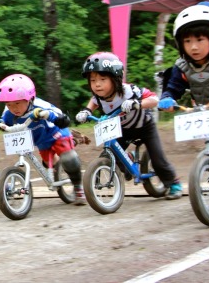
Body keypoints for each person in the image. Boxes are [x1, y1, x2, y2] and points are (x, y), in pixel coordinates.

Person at [158, 4, 209, 206]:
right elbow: (174, 86)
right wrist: (168, 97)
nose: (194, 47)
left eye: (200, 40)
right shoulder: (182, 67)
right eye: (188, 41)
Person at [76, 52, 182, 200]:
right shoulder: (99, 96)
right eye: (93, 80)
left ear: (116, 79)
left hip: (145, 128)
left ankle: (174, 184)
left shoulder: (129, 91)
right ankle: (128, 161)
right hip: (123, 130)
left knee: (158, 160)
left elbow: (154, 99)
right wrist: (86, 111)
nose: (97, 84)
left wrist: (137, 103)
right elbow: (94, 101)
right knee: (109, 155)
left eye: (102, 79)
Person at [0, 74, 86, 205]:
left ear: (30, 98)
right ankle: (58, 167)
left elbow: (62, 119)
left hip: (55, 132)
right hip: (40, 139)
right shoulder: (8, 111)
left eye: (17, 103)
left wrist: (46, 115)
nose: (14, 108)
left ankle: (78, 187)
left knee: (68, 158)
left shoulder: (40, 105)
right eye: (9, 104)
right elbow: (5, 122)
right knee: (48, 162)